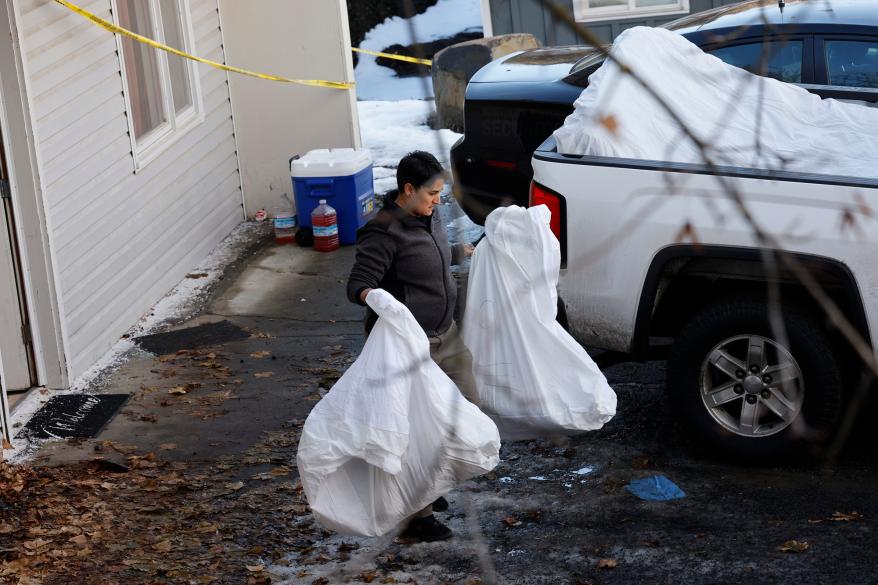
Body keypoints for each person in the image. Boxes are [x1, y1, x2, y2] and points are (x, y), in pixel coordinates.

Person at [347, 151, 477, 542]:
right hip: (409, 349)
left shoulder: (427, 214)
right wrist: (377, 297)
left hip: (445, 335)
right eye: (433, 193)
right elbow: (357, 285)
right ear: (408, 189)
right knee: (415, 429)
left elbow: (430, 253)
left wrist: (458, 253)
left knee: (464, 404)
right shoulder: (383, 231)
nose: (439, 201)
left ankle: (431, 483)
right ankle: (415, 517)